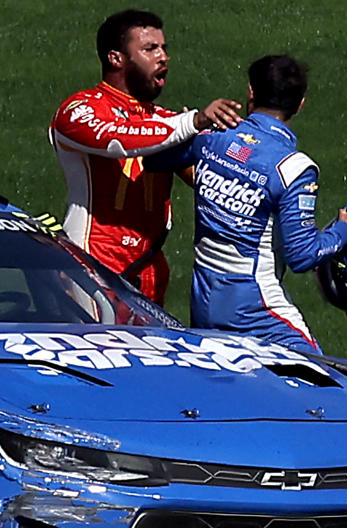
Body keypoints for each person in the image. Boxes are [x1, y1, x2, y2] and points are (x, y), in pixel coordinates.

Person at [146, 55, 347, 352]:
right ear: (300, 104)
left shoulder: (211, 137)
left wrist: (187, 127)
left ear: (251, 92)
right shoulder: (293, 168)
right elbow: (302, 255)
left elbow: (153, 157)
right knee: (324, 384)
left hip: (204, 302)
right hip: (256, 309)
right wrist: (345, 230)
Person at [49, 9, 241, 306]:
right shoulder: (79, 109)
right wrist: (194, 121)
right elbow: (118, 139)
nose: (163, 57)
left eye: (164, 48)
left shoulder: (167, 122)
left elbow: (209, 179)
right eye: (150, 49)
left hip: (149, 270)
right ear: (116, 58)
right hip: (91, 266)